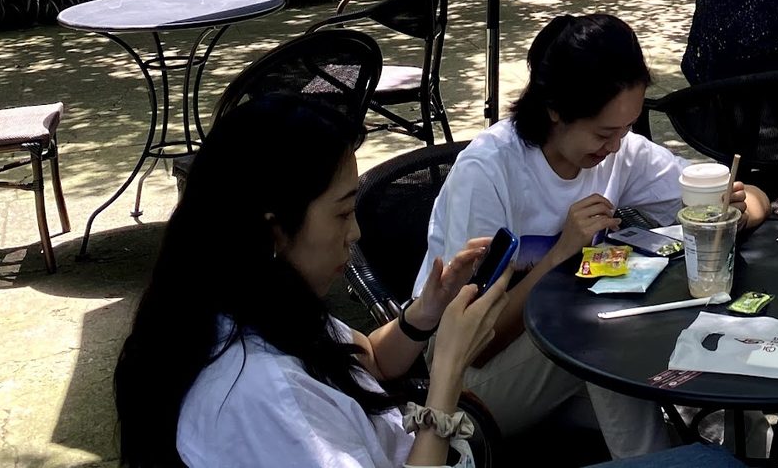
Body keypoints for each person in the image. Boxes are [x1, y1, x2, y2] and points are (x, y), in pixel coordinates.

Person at [418, 14, 771, 460]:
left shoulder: (618, 153)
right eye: (605, 132)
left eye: (627, 128)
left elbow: (752, 198)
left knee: (684, 320)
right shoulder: (488, 171)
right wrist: (560, 255)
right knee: (598, 327)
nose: (617, 146)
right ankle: (654, 462)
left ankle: (747, 449)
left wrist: (735, 213)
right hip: (465, 384)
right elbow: (469, 339)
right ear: (555, 110)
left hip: (561, 366)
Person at [112, 92, 506, 468]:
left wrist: (425, 312)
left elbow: (366, 359)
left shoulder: (253, 301)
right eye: (342, 213)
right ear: (274, 231)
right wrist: (447, 372)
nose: (355, 233)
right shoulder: (263, 398)